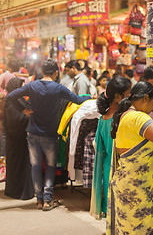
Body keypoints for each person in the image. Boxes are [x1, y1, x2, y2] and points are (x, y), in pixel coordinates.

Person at [6, 59, 90, 211]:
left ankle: (38, 200)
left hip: (32, 133)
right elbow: (77, 100)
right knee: (50, 167)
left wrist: (23, 110)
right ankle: (47, 200)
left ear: (42, 72)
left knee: (35, 166)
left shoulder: (32, 85)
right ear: (56, 73)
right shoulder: (58, 88)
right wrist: (90, 98)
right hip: (50, 134)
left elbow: (10, 96)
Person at [106, 81, 153, 234]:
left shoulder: (124, 115)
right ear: (145, 98)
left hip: (128, 186)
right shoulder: (138, 118)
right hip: (139, 192)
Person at [90, 76, 131, 219]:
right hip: (121, 170)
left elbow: (99, 148)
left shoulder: (102, 119)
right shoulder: (123, 119)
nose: (131, 97)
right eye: (128, 93)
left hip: (108, 169)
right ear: (118, 97)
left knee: (112, 214)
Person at [4, 77, 34, 200]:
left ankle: (23, 190)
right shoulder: (10, 101)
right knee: (18, 166)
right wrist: (30, 117)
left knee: (22, 166)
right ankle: (18, 192)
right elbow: (15, 120)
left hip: (21, 138)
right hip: (16, 140)